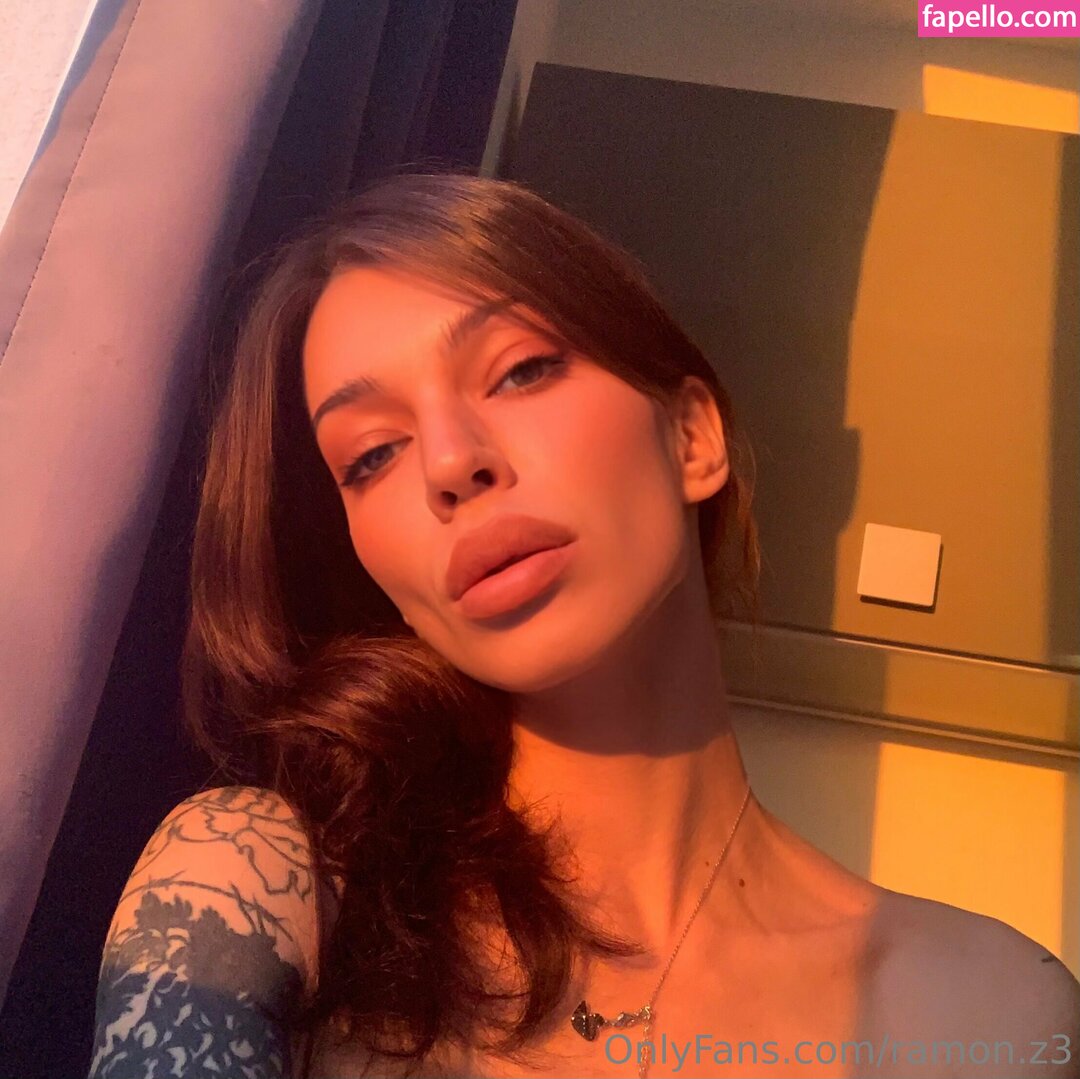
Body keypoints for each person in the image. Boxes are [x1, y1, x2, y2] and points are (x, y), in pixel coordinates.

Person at [88, 172, 1079, 1079]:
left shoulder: (991, 1007)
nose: (449, 463)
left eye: (519, 370)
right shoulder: (261, 888)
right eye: (374, 453)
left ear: (692, 436)